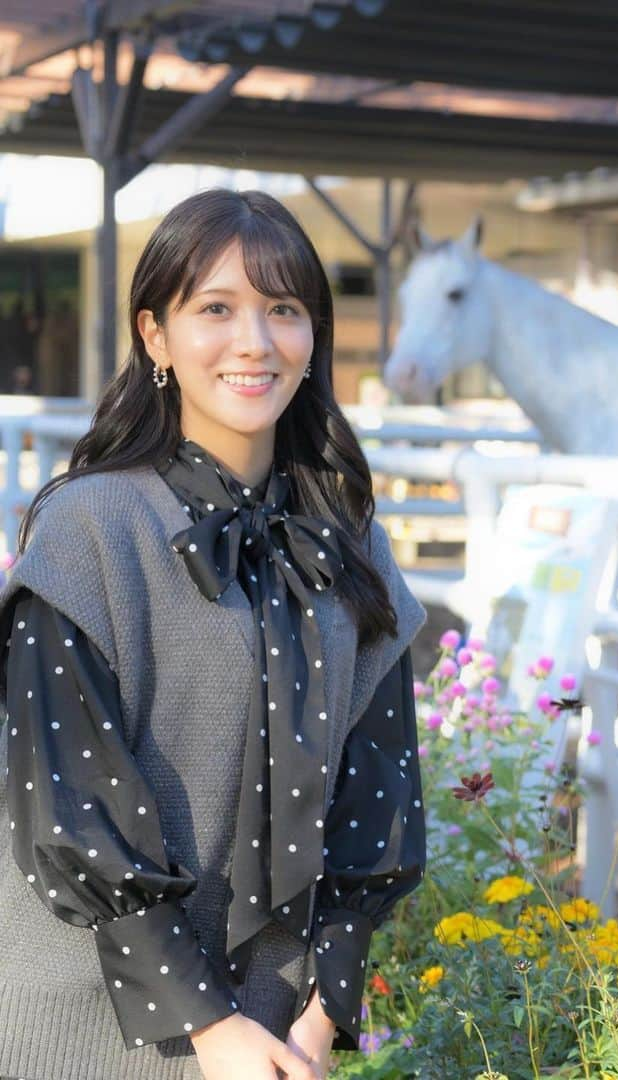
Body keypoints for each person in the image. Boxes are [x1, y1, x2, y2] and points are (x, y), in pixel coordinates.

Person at [0, 189, 428, 1080]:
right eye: (216, 309)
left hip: (275, 1027)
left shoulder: (353, 546)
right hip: (85, 1030)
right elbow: (70, 811)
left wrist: (324, 1011)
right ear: (155, 335)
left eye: (284, 309)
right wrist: (209, 1027)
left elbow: (377, 806)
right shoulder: (90, 530)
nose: (255, 342)